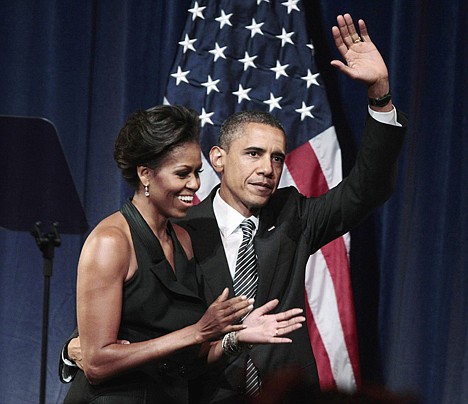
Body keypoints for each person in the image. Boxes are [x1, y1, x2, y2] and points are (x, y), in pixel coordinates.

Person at [61, 13, 407, 403]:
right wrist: (76, 348)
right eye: (254, 154)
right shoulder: (181, 229)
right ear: (219, 159)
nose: (267, 169)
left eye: (278, 158)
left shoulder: (295, 215)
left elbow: (367, 189)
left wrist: (380, 94)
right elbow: (131, 324)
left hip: (282, 392)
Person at [62, 104, 305, 404]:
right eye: (182, 174)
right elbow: (97, 363)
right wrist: (196, 332)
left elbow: (193, 355)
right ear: (145, 174)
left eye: (197, 172)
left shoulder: (184, 241)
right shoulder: (110, 241)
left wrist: (235, 337)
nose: (195, 184)